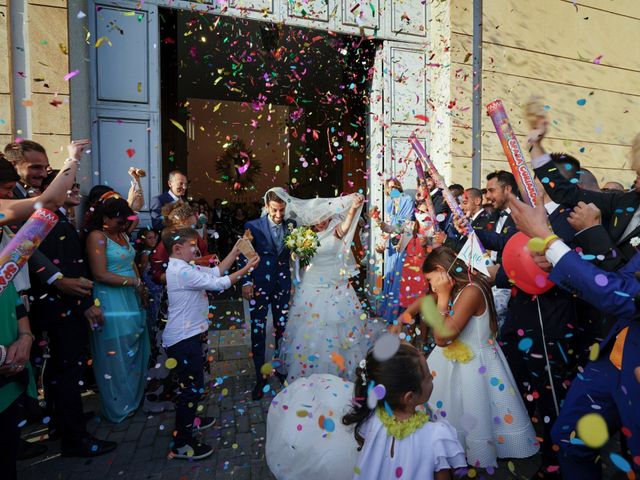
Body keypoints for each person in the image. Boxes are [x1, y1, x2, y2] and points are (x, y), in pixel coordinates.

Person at [508, 192, 640, 480]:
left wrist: (548, 239)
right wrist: (557, 261)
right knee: (568, 437)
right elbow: (625, 280)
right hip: (614, 356)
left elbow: (624, 296)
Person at [421, 247, 539, 467]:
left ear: (440, 270)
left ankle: (479, 457)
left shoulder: (471, 291)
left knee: (477, 413)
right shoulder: (464, 288)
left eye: (430, 280)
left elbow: (441, 337)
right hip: (463, 363)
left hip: (474, 367)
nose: (431, 286)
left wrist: (443, 296)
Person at [28, 179, 116, 456]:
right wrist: (85, 303)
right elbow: (65, 270)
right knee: (68, 372)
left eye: (77, 186)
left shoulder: (63, 218)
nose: (76, 190)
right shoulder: (46, 221)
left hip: (64, 305)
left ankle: (61, 423)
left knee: (60, 371)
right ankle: (75, 437)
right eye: (69, 186)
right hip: (61, 307)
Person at [163, 228, 259, 459]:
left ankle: (190, 422)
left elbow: (216, 271)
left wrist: (236, 252)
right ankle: (182, 444)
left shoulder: (186, 266)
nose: (197, 249)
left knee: (193, 387)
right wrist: (246, 269)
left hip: (188, 336)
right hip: (182, 339)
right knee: (190, 390)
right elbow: (219, 284)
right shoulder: (180, 271)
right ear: (178, 249)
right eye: (192, 245)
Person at [279, 191, 381, 383]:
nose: (321, 222)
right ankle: (310, 371)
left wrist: (352, 209)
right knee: (311, 328)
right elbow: (299, 258)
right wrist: (296, 254)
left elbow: (345, 227)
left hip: (336, 284)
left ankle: (340, 371)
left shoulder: (336, 229)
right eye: (318, 219)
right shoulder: (304, 235)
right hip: (312, 283)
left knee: (337, 327)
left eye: (324, 217)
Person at [343, 343, 467, 480]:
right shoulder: (437, 435)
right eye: (427, 377)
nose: (432, 377)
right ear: (409, 397)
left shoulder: (372, 417)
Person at [85, 196, 150, 422]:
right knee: (116, 352)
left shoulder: (120, 234)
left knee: (134, 346)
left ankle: (133, 396)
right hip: (111, 299)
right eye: (120, 222)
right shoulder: (97, 237)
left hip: (131, 296)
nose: (124, 227)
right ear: (105, 219)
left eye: (126, 222)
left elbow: (131, 261)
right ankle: (118, 405)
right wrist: (132, 282)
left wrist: (140, 284)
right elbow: (100, 274)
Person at [241, 190, 295, 400]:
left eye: (282, 210)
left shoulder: (292, 226)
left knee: (282, 327)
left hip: (282, 284)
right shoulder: (252, 226)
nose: (279, 214)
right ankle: (260, 376)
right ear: (266, 206)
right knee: (259, 329)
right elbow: (243, 252)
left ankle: (280, 370)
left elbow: (293, 253)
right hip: (259, 284)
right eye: (275, 210)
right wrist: (246, 281)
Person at [375, 178, 415, 322]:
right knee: (390, 273)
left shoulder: (407, 200)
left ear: (399, 187)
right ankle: (388, 309)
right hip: (392, 241)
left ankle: (398, 313)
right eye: (389, 187)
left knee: (400, 275)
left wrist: (401, 238)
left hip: (404, 240)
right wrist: (382, 231)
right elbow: (390, 224)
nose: (392, 189)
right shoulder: (388, 203)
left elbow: (409, 223)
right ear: (386, 190)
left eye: (395, 186)